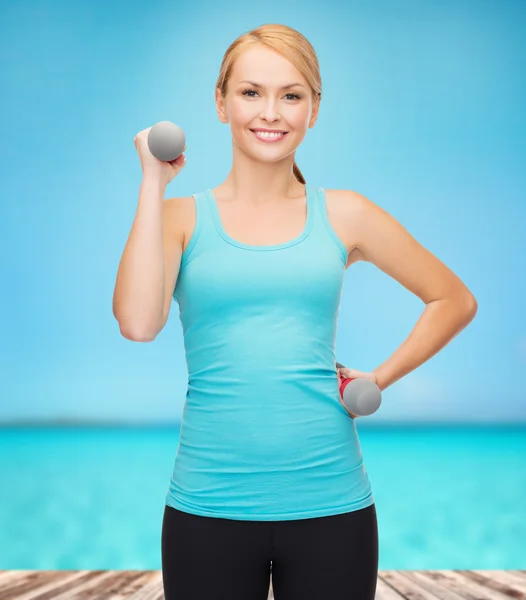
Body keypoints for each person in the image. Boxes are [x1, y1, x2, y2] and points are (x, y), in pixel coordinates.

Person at [113, 23, 477, 600]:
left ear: (314, 110)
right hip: (206, 509)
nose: (272, 112)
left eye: (292, 95)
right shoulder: (180, 219)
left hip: (334, 508)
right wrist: (152, 183)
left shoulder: (346, 213)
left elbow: (453, 299)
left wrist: (380, 376)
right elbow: (137, 323)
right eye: (252, 92)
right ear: (220, 102)